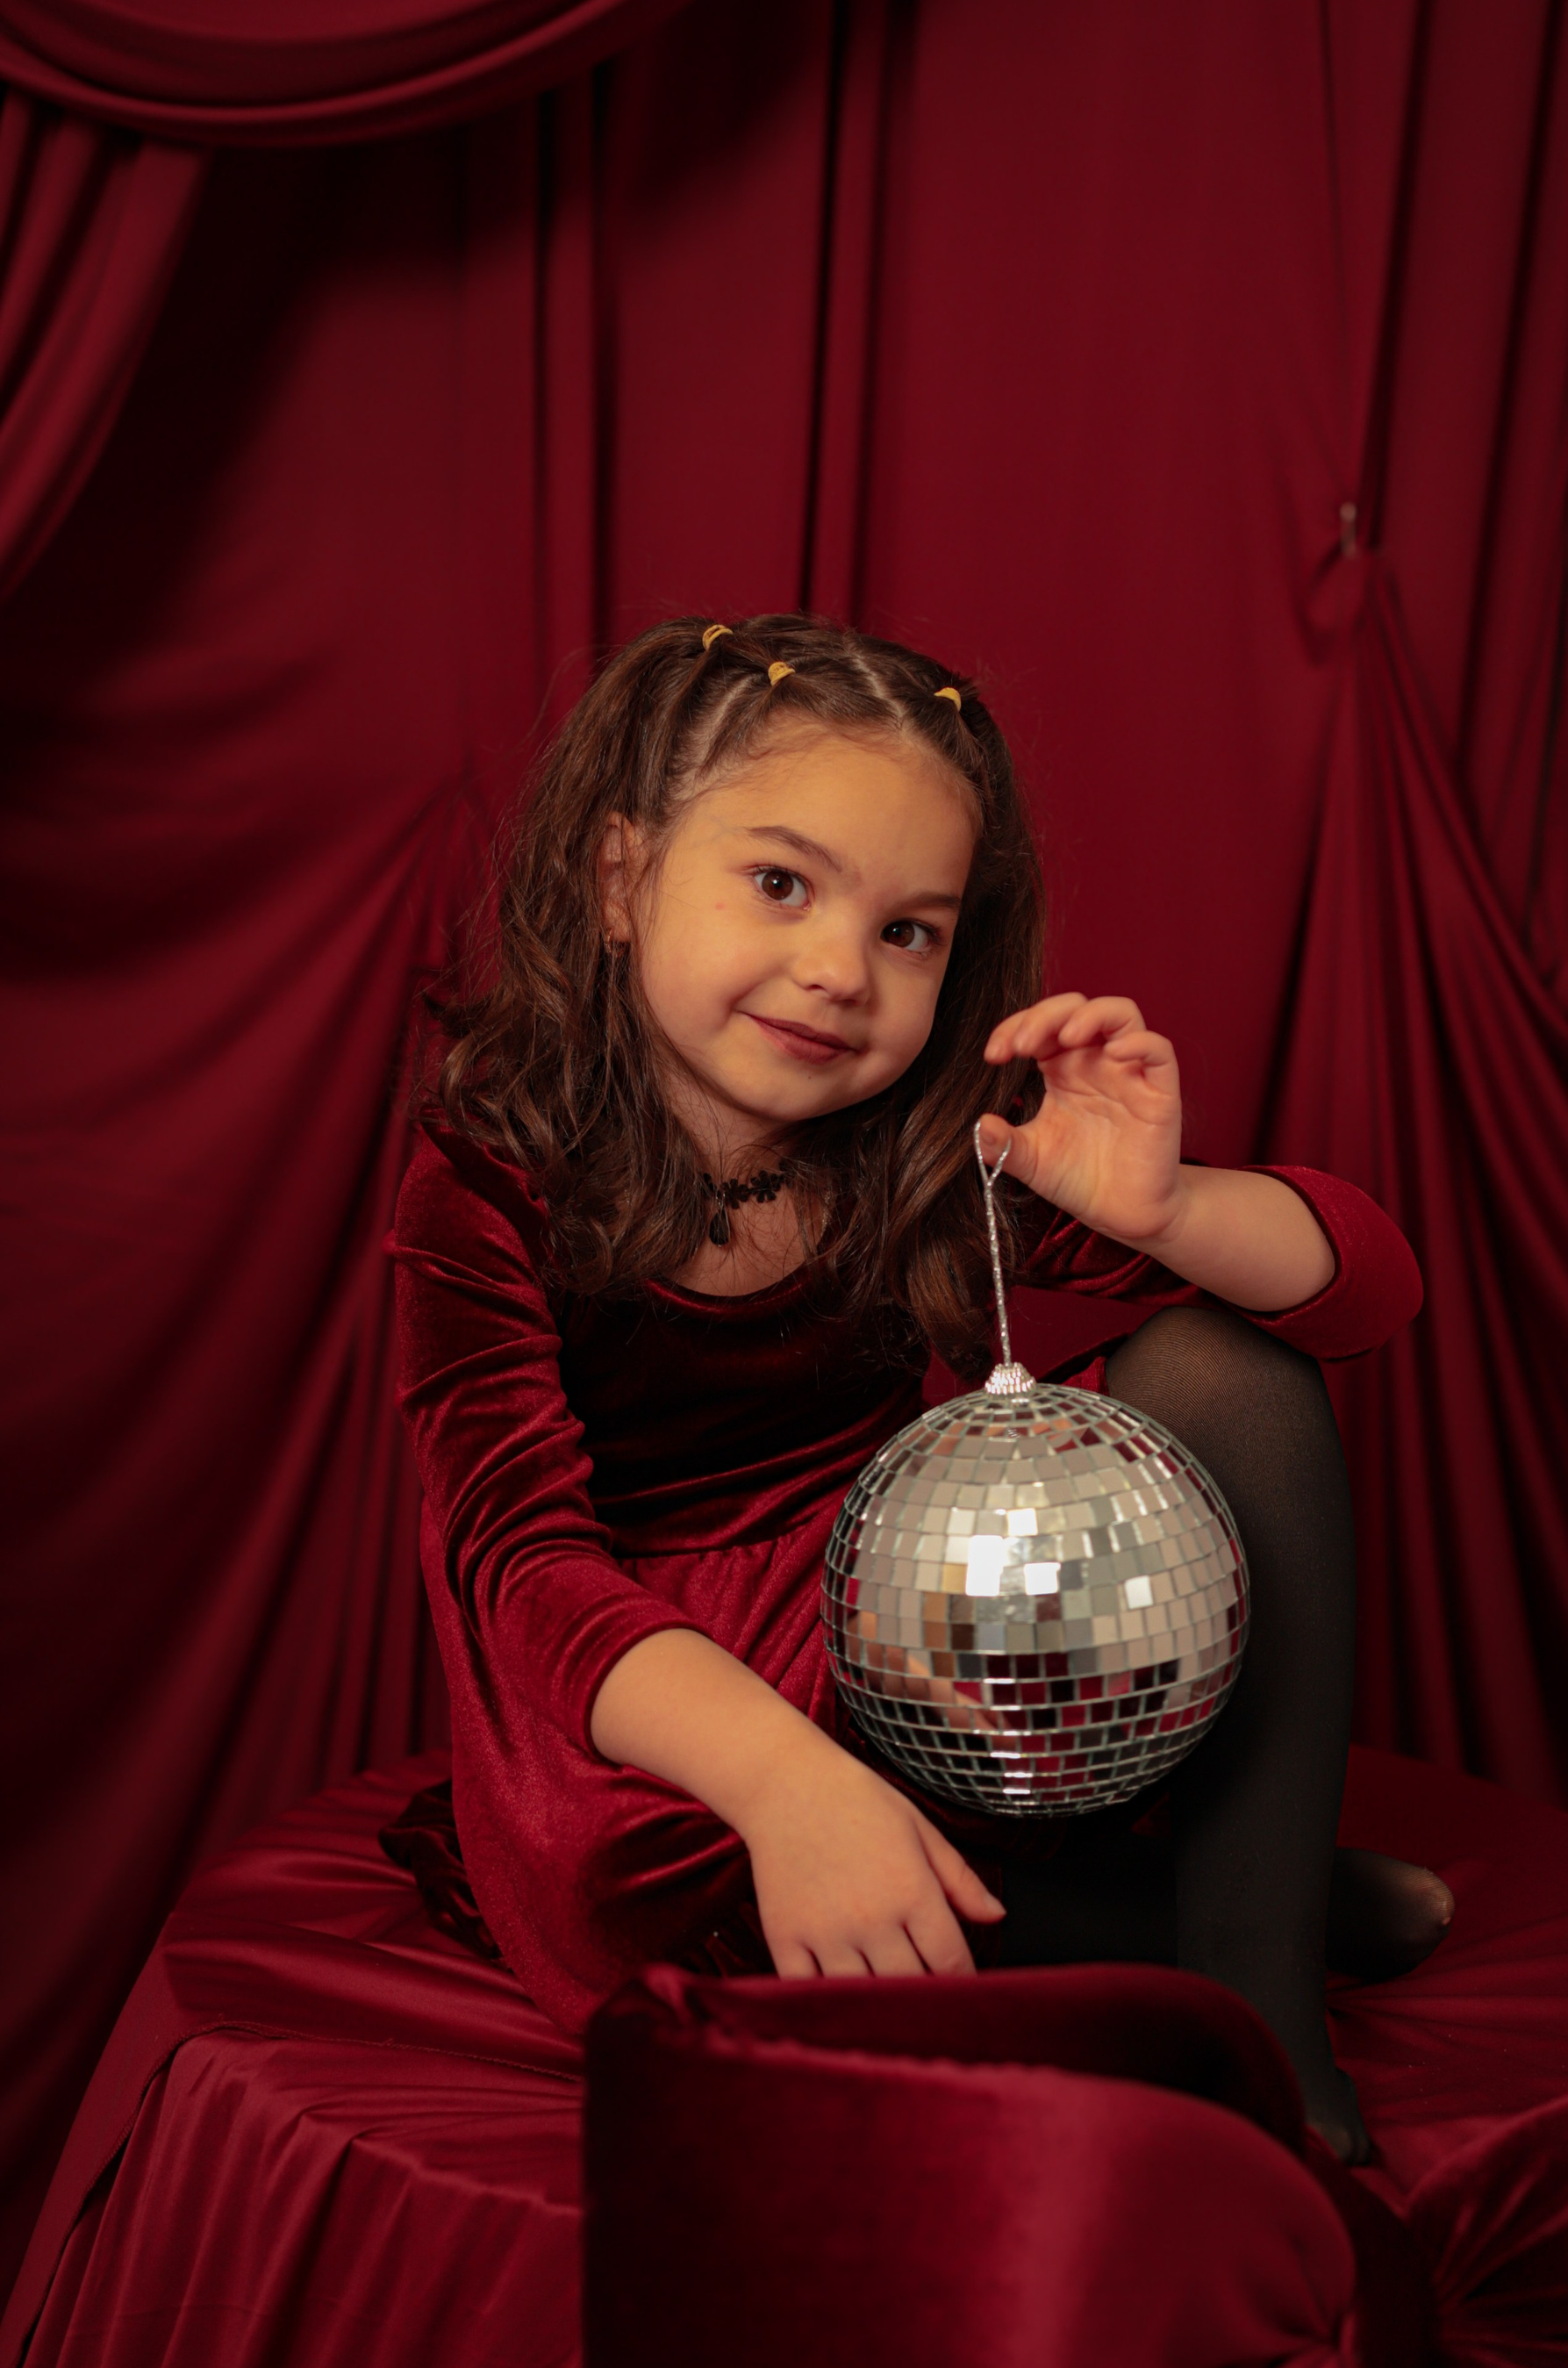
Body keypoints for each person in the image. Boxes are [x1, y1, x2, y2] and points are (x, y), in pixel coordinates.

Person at [390, 614, 1450, 2163]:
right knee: (683, 1873)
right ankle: (1179, 1907)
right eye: (780, 884)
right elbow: (520, 1569)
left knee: (1230, 1363)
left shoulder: (927, 1146)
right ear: (619, 879)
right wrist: (788, 1788)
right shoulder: (494, 1179)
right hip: (669, 1726)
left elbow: (1371, 1293)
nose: (840, 971)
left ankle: (1260, 1994)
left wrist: (1164, 1211)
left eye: (908, 932)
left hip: (903, 1642)